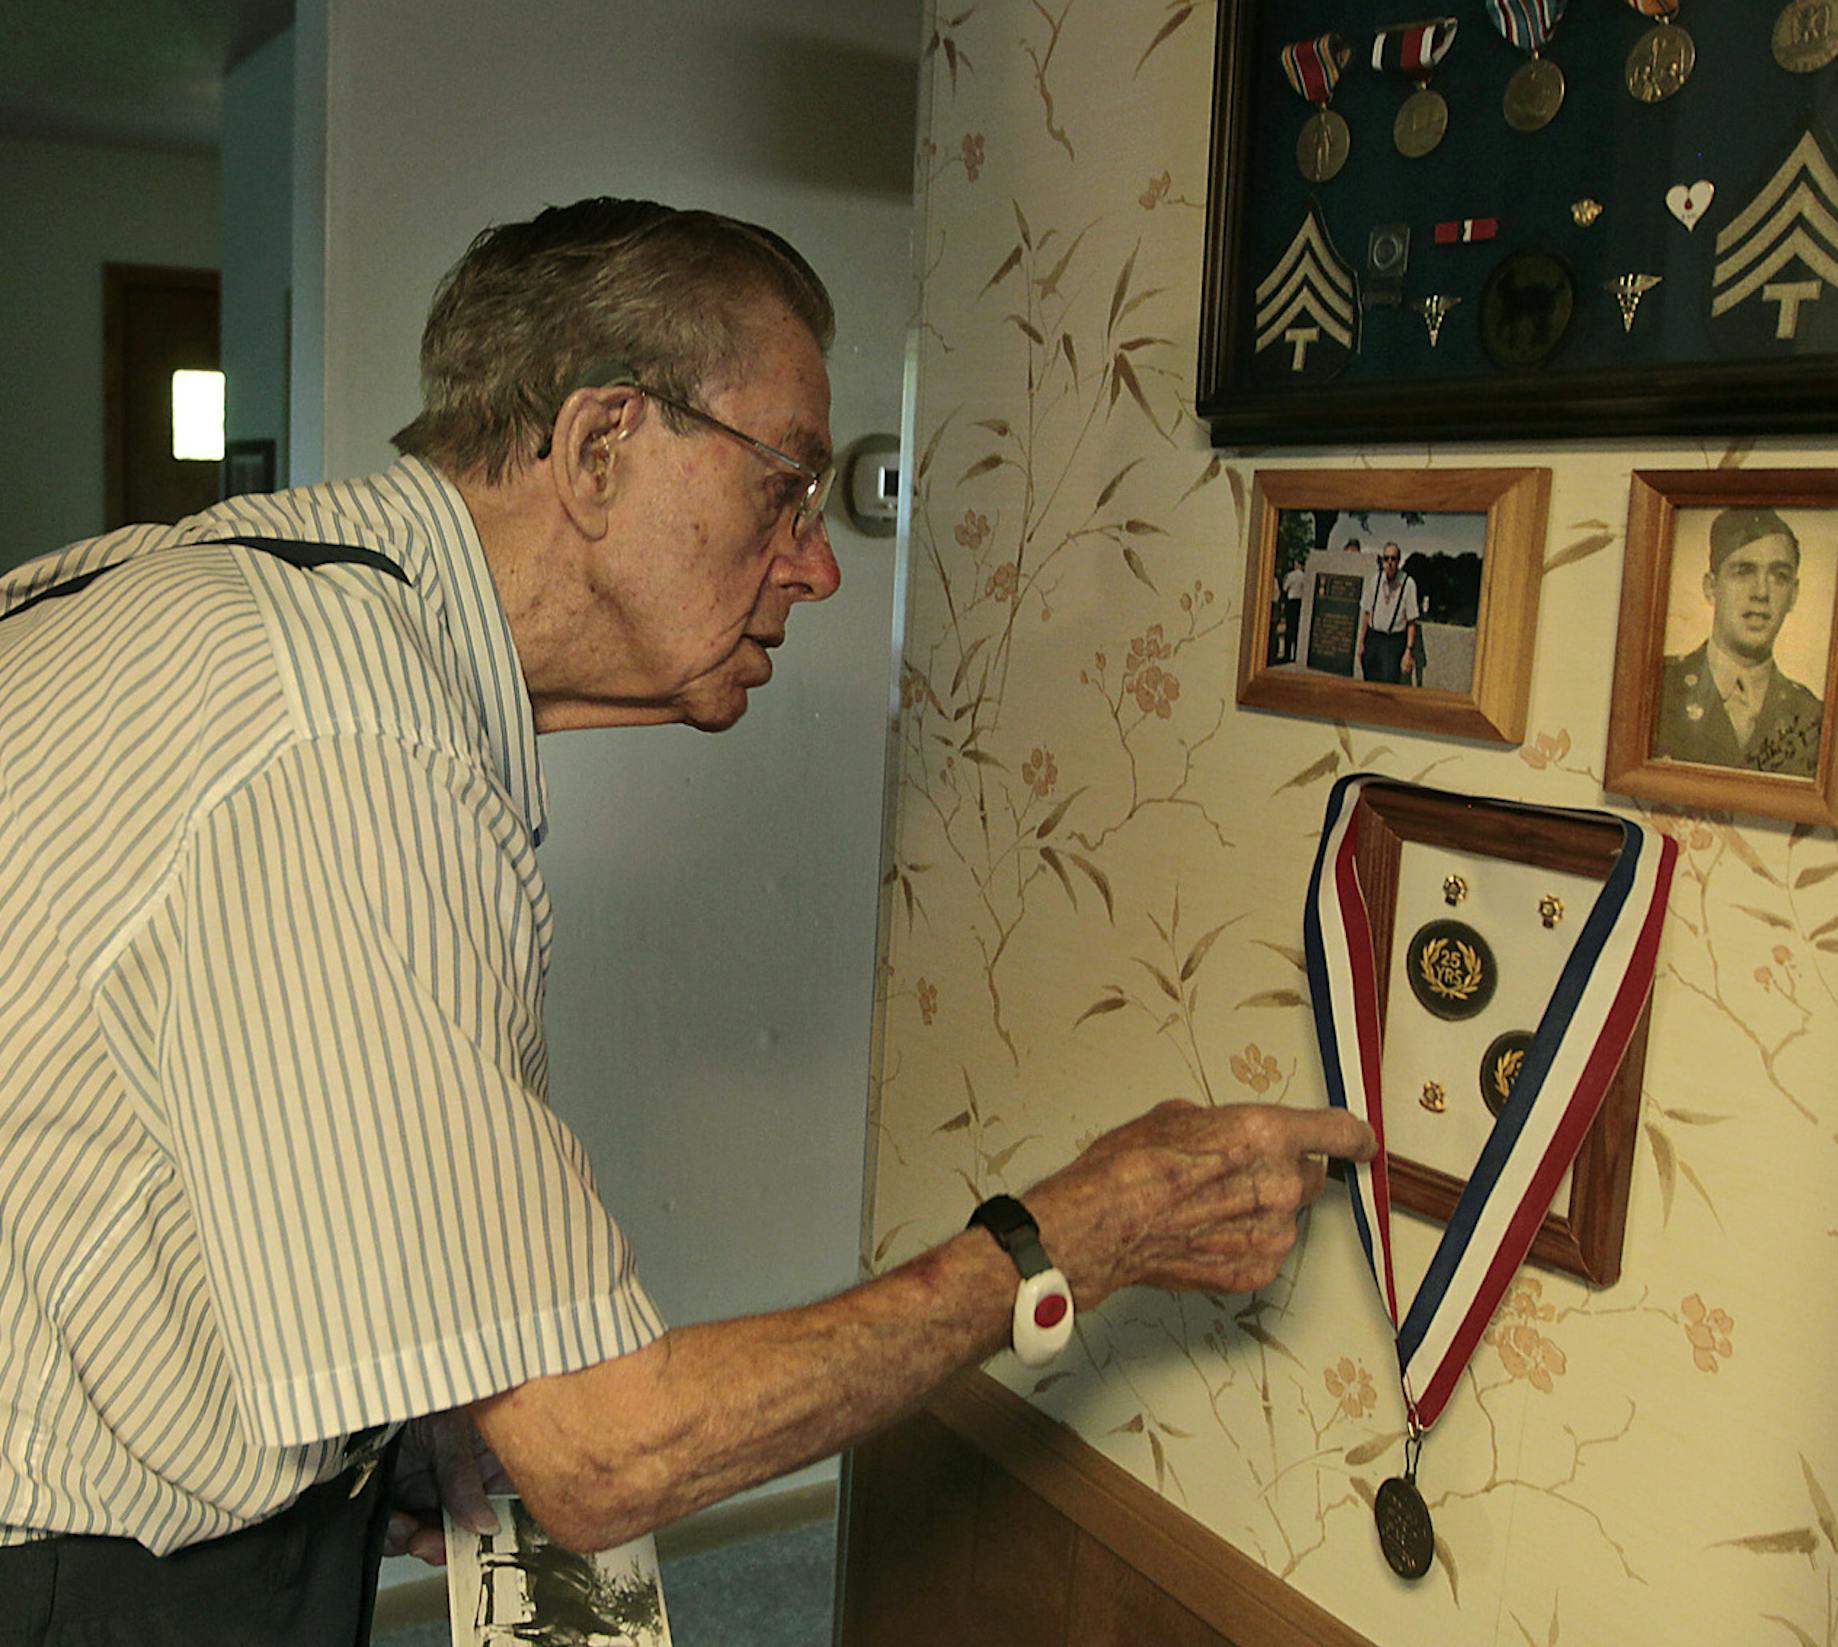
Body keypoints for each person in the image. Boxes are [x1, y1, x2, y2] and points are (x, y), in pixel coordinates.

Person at [0, 198, 1375, 1644]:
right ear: (601, 446)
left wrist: (377, 1423)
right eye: (787, 484)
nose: (821, 559)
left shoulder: (223, 600)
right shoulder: (345, 731)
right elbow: (610, 1451)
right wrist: (1081, 1232)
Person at [1655, 505, 1823, 776]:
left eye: (1779, 576)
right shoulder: (1658, 689)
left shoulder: (1812, 715)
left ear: (1793, 595)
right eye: (1744, 571)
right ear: (1711, 588)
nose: (1761, 592)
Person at [1357, 542, 1422, 686]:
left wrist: (1409, 651)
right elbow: (1367, 613)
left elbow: (1412, 622)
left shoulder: (1408, 584)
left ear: (1399, 561)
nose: (1390, 563)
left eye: (1393, 558)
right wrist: (1361, 642)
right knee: (1369, 682)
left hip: (1393, 642)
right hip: (1373, 638)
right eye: (1386, 558)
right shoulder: (1376, 580)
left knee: (1388, 685)